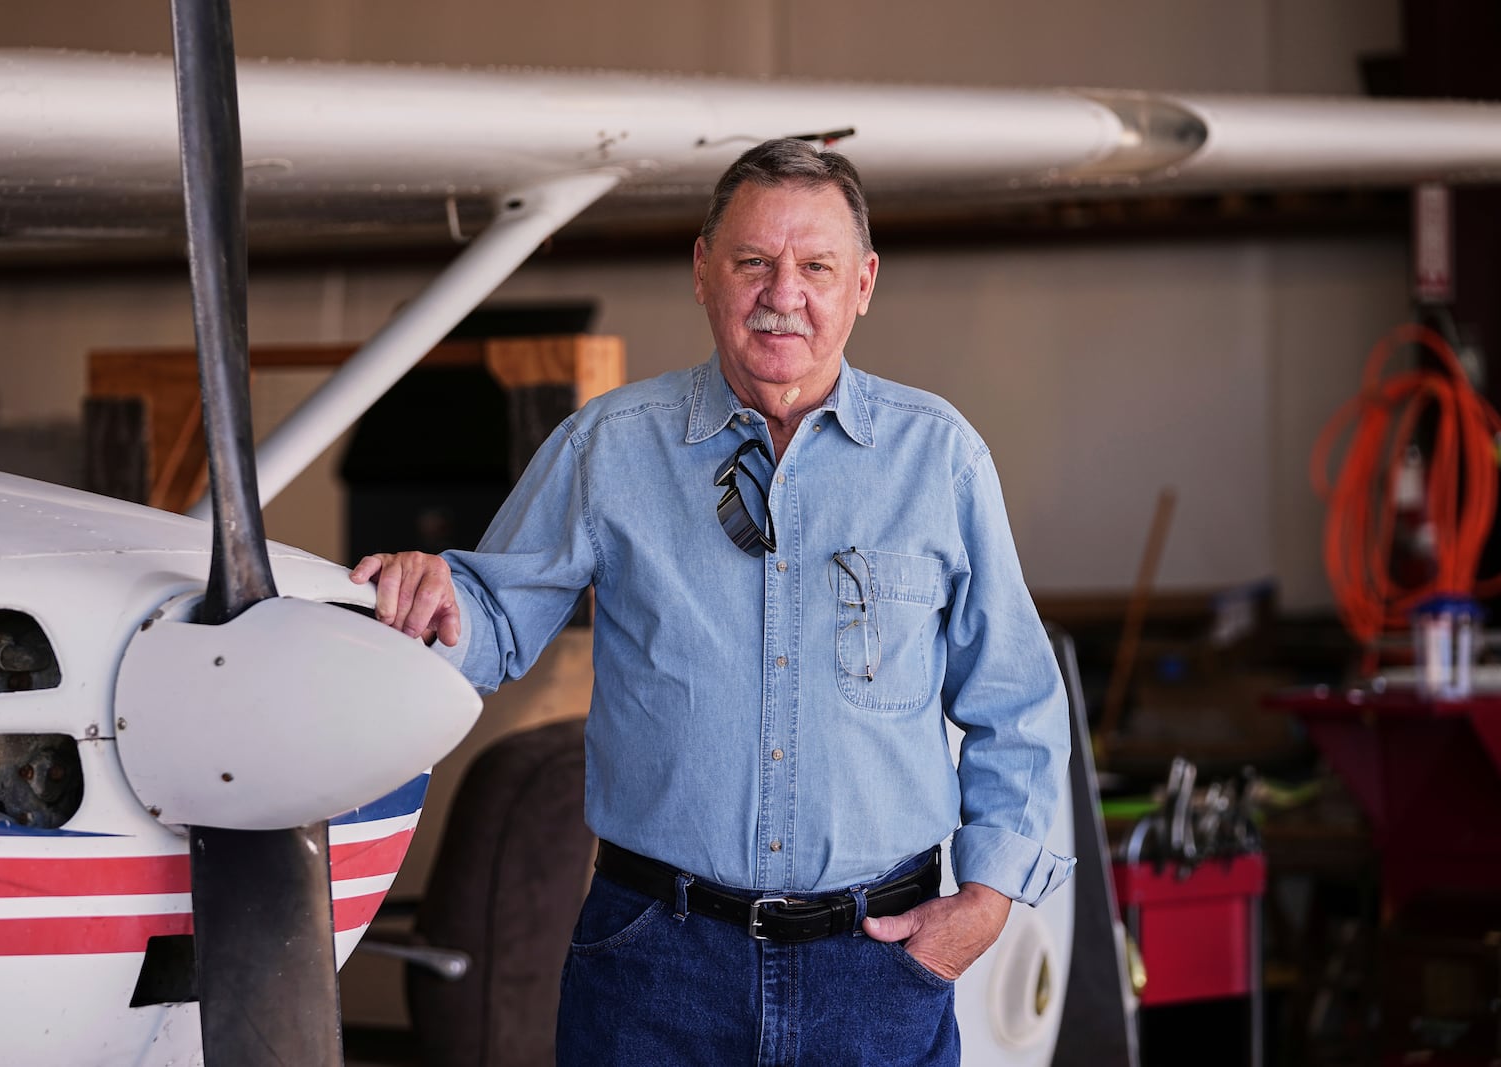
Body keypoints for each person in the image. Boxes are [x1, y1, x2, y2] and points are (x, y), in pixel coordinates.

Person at [351, 138, 1072, 1065]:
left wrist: (985, 903)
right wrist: (428, 590)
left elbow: (1014, 702)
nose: (784, 293)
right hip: (655, 965)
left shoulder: (942, 462)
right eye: (752, 262)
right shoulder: (611, 447)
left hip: (878, 967)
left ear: (863, 283)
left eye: (816, 266)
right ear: (702, 272)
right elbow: (490, 619)